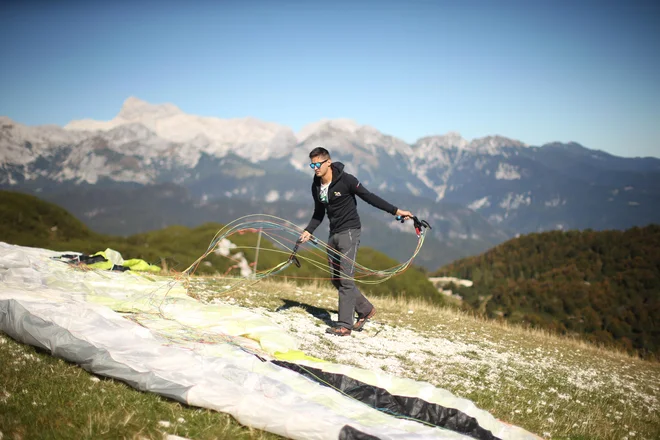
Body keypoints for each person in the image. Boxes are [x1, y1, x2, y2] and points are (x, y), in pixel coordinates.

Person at [299, 146, 414, 336]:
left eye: (318, 164)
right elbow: (318, 213)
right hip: (333, 233)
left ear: (328, 162)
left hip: (350, 232)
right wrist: (308, 231)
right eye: (312, 164)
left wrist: (396, 211)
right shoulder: (316, 185)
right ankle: (366, 309)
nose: (315, 168)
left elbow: (369, 197)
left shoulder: (347, 180)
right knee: (337, 279)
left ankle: (344, 325)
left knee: (345, 279)